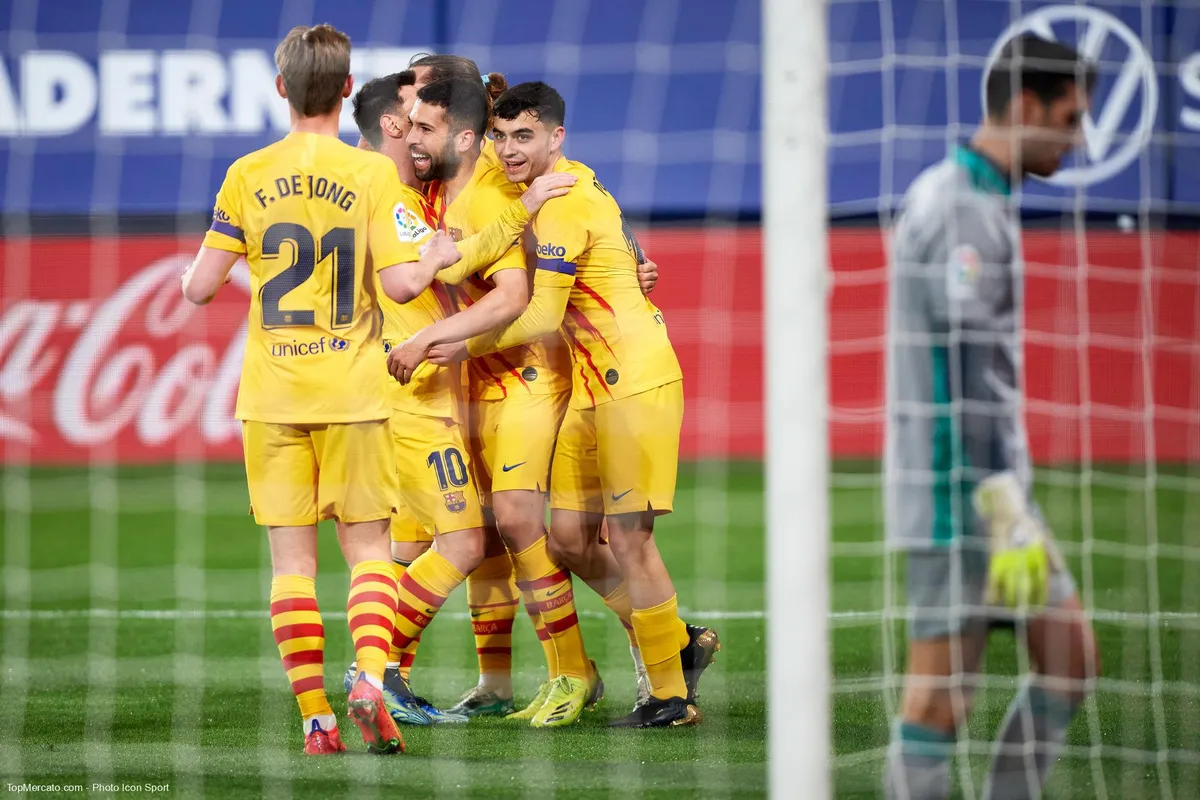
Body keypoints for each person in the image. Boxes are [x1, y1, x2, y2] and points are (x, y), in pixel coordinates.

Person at [181, 24, 461, 756]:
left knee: (291, 566)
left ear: (280, 88)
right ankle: (370, 675)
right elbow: (401, 282)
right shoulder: (372, 175)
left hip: (272, 398)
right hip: (356, 393)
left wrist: (219, 246)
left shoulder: (246, 174)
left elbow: (200, 289)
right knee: (370, 551)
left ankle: (316, 721)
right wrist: (433, 255)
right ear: (345, 90)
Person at [402, 81, 718, 728]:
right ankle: (677, 642)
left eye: (525, 137)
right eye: (502, 136)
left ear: (556, 137)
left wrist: (459, 345)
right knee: (570, 539)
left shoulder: (564, 200)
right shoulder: (538, 197)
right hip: (589, 389)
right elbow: (474, 261)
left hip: (634, 382)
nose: (511, 150)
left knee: (629, 540)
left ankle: (669, 693)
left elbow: (542, 313)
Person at [882, 34, 1100, 799]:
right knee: (938, 701)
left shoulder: (977, 198)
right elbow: (960, 379)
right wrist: (1002, 508)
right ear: (1027, 105)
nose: (1077, 140)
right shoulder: (961, 207)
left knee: (1070, 657)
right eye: (1070, 119)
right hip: (961, 495)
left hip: (994, 494)